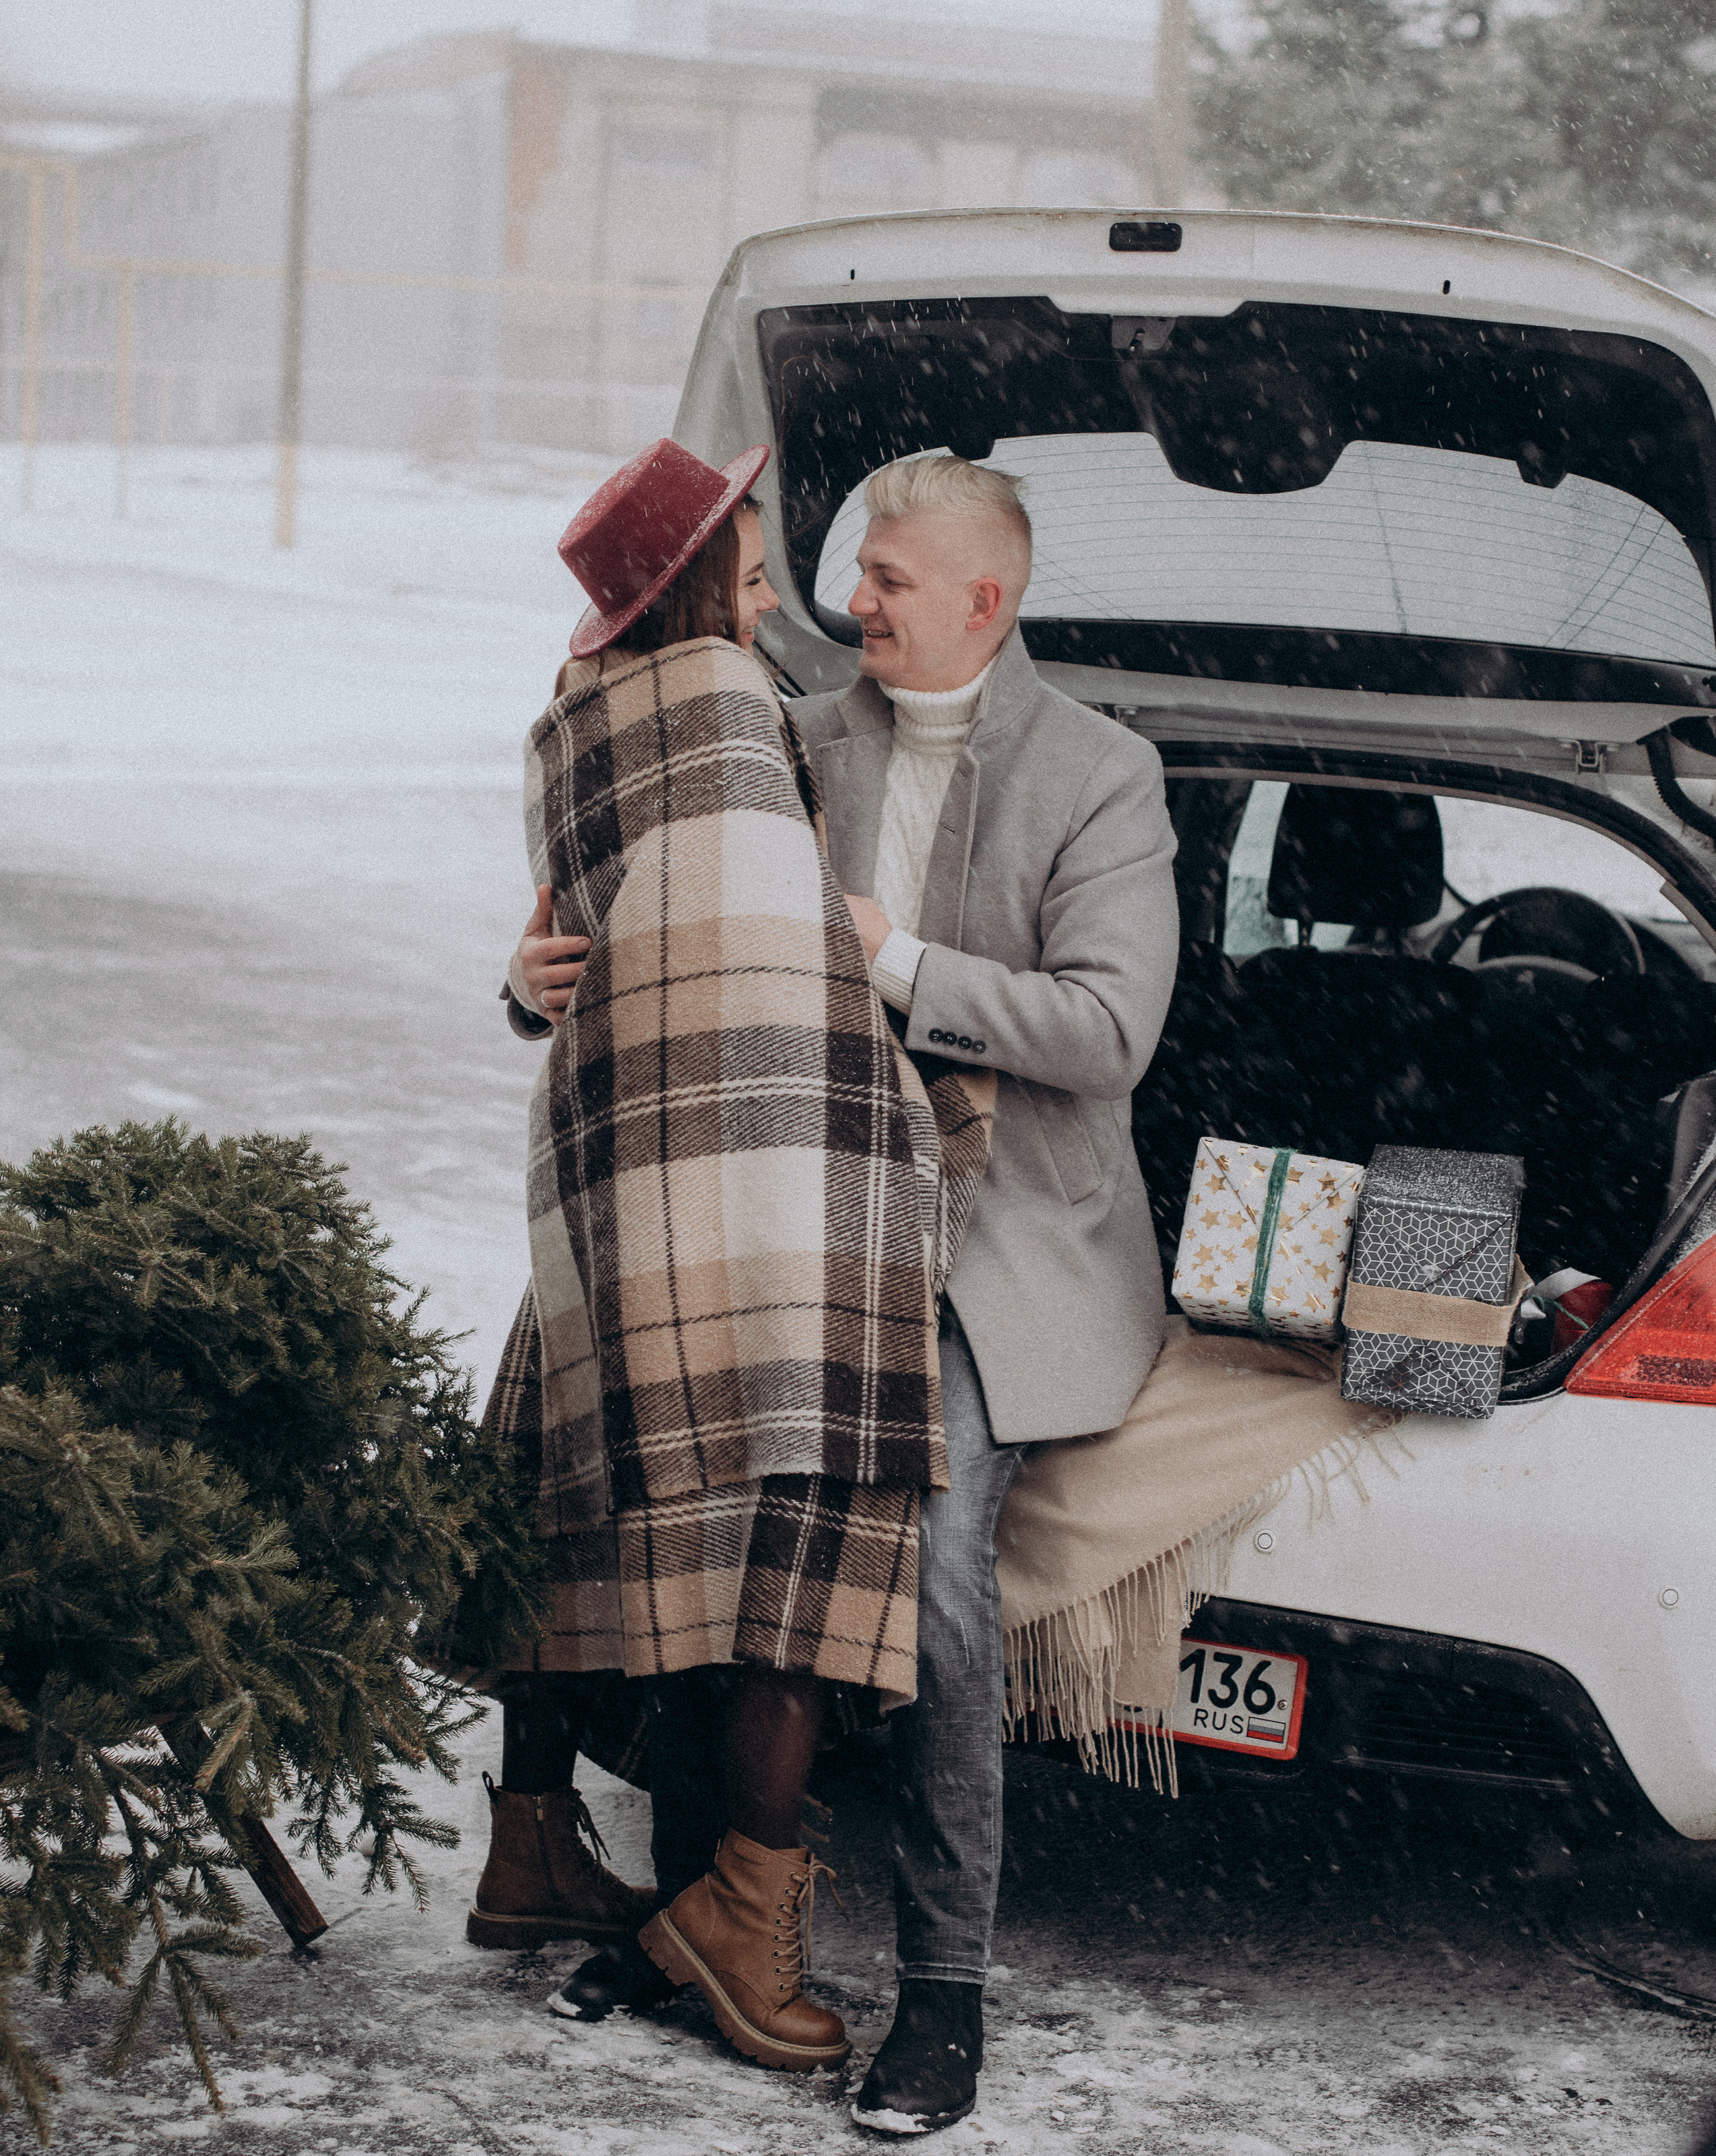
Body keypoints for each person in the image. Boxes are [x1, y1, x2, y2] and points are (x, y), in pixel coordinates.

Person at [516, 451, 1179, 2132]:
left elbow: (1107, 1034)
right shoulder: (780, 734)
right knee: (701, 1500)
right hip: (790, 1214)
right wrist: (529, 983)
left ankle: (944, 1988)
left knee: (933, 1568)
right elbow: (620, 917)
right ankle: (699, 1913)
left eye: (882, 577)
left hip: (992, 1249)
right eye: (840, 571)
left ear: (984, 597)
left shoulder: (1103, 774)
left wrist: (889, 962)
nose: (843, 602)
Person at [476, 437, 996, 2081]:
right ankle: (732, 1905)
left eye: (858, 579)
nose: (799, 600)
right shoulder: (743, 710)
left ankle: (544, 1838)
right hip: (771, 1181)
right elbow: (683, 948)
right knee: (806, 1507)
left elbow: (625, 916)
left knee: (589, 1472)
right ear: (701, 584)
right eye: (759, 572)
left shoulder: (571, 722)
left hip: (619, 1173)